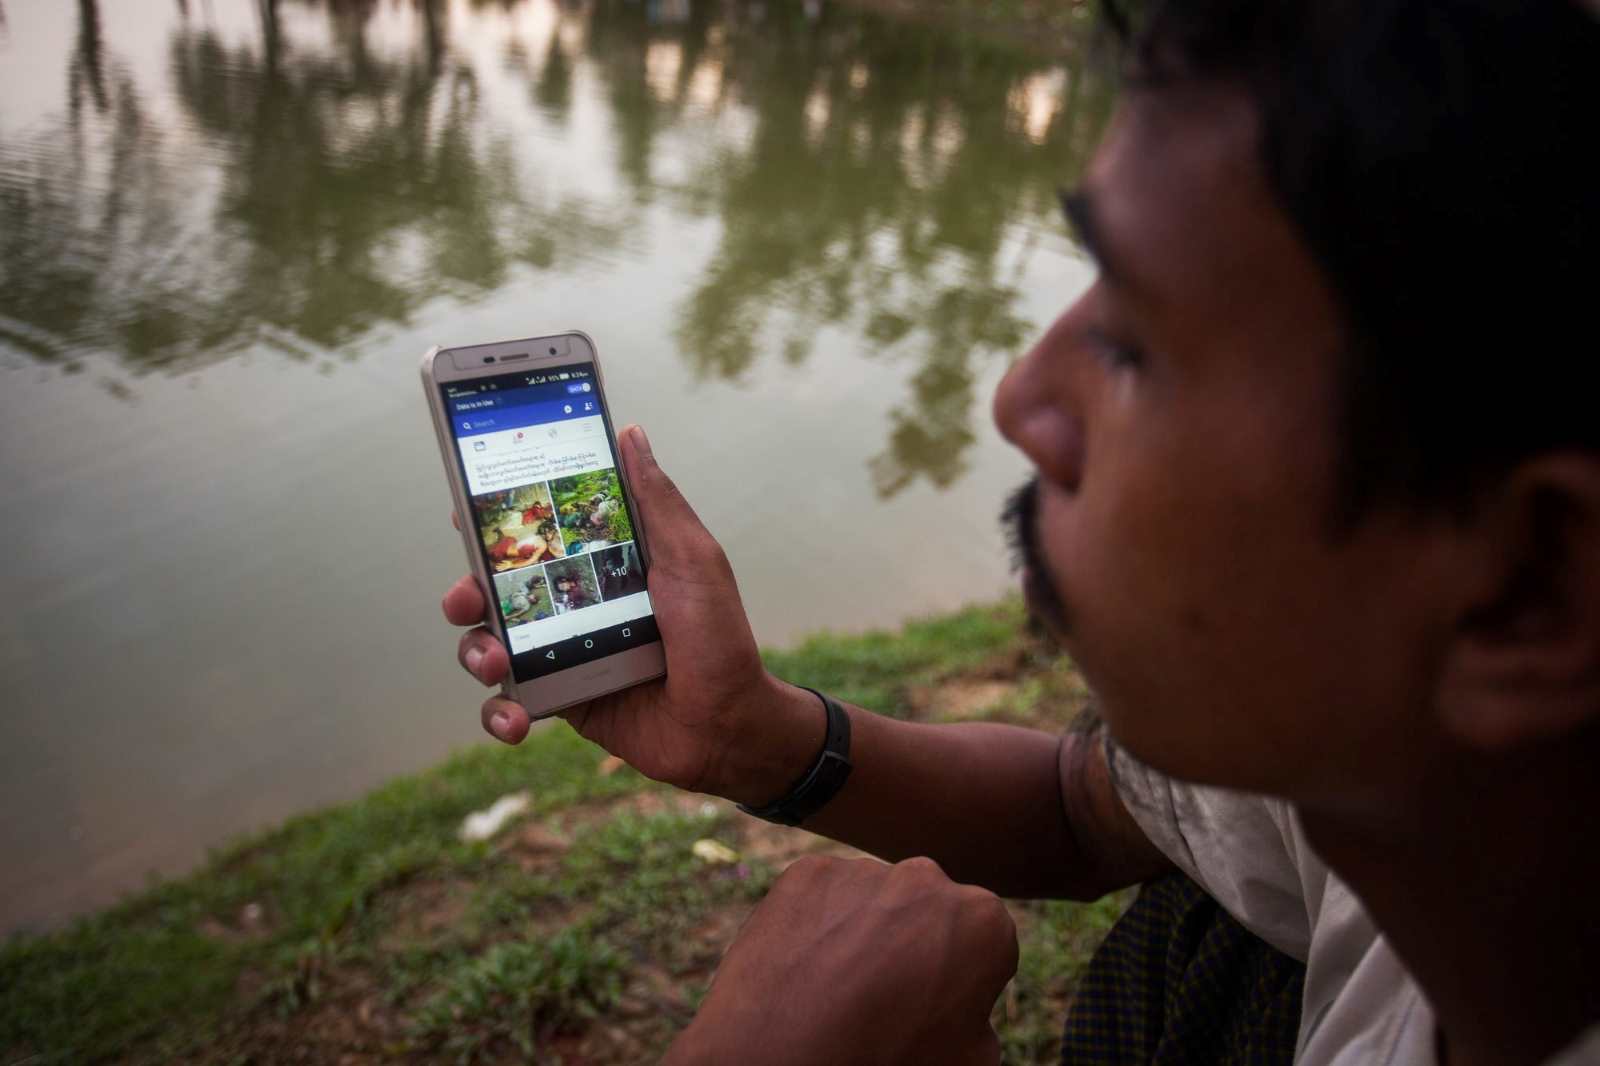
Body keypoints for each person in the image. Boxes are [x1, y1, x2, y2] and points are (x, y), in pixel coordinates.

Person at [442, 2, 1599, 1063]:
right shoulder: (1403, 785)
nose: (1019, 400)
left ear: (1529, 586)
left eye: (1137, 346)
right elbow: (1081, 809)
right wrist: (754, 738)